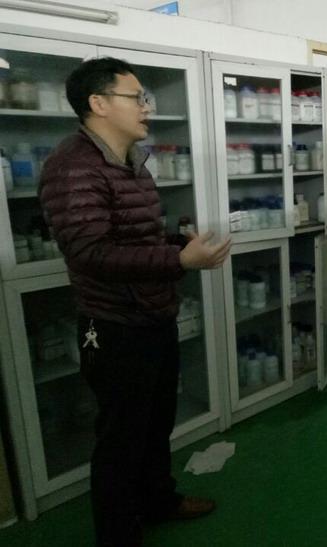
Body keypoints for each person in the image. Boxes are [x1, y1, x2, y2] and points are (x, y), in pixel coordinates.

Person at [39, 57, 231, 547]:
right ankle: (119, 535)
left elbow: (136, 236)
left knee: (155, 423)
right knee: (122, 439)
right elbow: (90, 253)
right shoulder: (72, 167)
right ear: (99, 103)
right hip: (114, 324)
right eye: (137, 97)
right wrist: (179, 260)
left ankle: (158, 501)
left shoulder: (132, 160)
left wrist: (176, 243)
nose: (147, 107)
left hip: (153, 313)